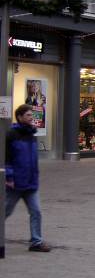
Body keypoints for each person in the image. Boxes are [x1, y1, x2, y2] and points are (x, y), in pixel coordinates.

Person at [5, 104, 50, 252]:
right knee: (5, 211)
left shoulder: (31, 134)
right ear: (20, 117)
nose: (32, 118)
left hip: (31, 183)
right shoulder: (11, 134)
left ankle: (36, 242)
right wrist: (9, 177)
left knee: (36, 211)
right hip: (15, 183)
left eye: (32, 115)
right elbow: (6, 158)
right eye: (29, 115)